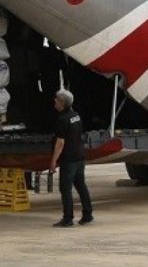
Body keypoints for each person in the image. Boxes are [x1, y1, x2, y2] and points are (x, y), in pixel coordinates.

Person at [49, 88, 93, 228]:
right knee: (81, 185)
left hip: (69, 159)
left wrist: (53, 161)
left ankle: (68, 218)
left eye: (56, 99)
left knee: (65, 189)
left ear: (62, 102)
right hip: (80, 156)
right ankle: (87, 214)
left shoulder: (62, 119)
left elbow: (60, 142)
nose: (54, 101)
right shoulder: (76, 116)